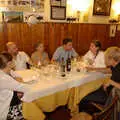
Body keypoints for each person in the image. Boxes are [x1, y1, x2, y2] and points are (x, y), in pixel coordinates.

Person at [0, 52, 28, 120]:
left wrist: (17, 81)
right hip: (8, 109)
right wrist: (17, 82)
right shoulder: (3, 78)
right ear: (9, 63)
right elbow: (25, 88)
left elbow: (19, 77)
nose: (14, 61)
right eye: (12, 60)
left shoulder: (8, 71)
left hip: (13, 101)